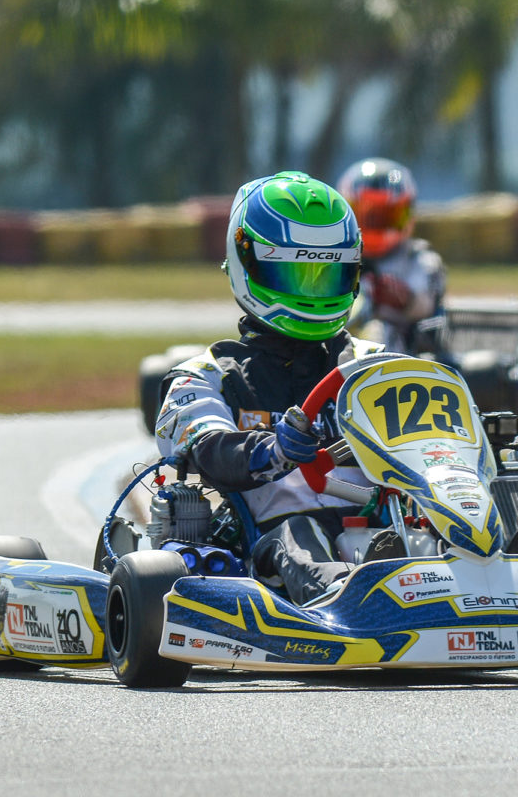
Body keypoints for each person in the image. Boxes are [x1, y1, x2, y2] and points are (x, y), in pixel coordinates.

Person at [152, 171, 403, 605]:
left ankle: (502, 567)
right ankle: (348, 600)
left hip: (383, 528)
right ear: (247, 263)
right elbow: (208, 448)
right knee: (300, 533)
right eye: (295, 275)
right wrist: (273, 450)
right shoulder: (206, 375)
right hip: (271, 544)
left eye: (326, 275)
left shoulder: (378, 365)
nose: (312, 292)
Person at [337, 158, 447, 354]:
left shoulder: (419, 258)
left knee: (378, 329)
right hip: (341, 337)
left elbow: (427, 302)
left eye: (385, 216)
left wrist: (405, 299)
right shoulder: (335, 256)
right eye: (370, 216)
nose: (376, 223)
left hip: (406, 349)